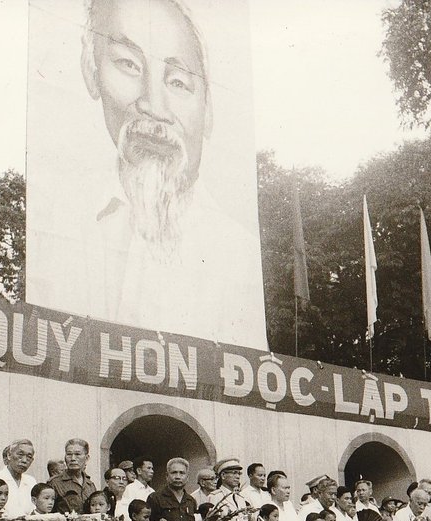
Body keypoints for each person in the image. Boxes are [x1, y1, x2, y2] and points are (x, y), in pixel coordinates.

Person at [35, 0, 267, 349]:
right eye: (128, 64)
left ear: (208, 109)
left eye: (177, 82)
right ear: (90, 69)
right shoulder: (53, 225)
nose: (153, 106)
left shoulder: (238, 256)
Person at [0, 439, 39, 519]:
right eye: (20, 455)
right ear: (9, 455)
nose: (24, 460)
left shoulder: (31, 481)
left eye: (29, 457)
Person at [49, 438, 96, 514]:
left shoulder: (90, 485)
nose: (73, 459)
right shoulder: (55, 483)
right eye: (69, 454)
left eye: (77, 454)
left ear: (87, 458)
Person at [146, 457, 197, 521]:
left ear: (187, 477)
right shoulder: (155, 498)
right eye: (174, 473)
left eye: (182, 473)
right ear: (167, 476)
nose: (178, 477)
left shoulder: (191, 501)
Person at [204, 457, 254, 521]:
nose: (237, 476)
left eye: (239, 473)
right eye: (234, 473)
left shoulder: (241, 499)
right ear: (223, 475)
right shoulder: (215, 497)